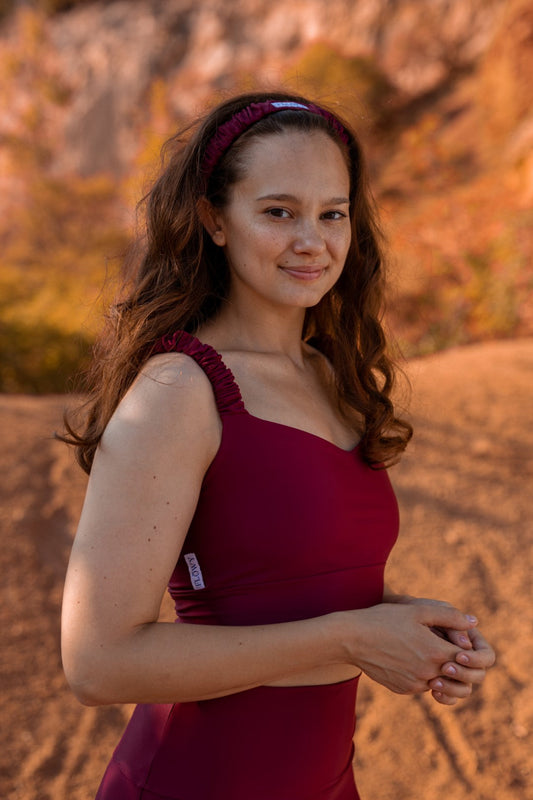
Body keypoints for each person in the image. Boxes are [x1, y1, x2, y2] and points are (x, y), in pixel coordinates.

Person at [60, 91, 495, 800]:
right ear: (214, 220)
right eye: (277, 212)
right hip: (195, 782)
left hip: (324, 782)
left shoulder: (330, 375)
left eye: (333, 213)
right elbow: (97, 663)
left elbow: (292, 582)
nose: (312, 241)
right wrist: (350, 638)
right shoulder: (181, 391)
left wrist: (408, 627)